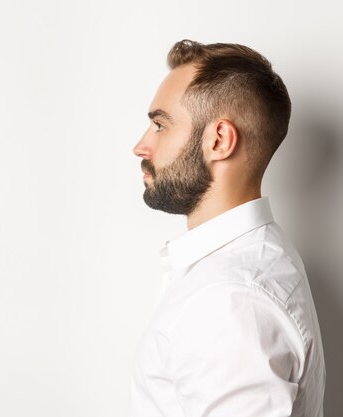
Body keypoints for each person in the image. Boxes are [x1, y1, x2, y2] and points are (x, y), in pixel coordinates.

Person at [128, 39, 326, 417]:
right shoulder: (249, 263)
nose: (141, 146)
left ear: (219, 140)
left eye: (159, 125)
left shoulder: (231, 299)